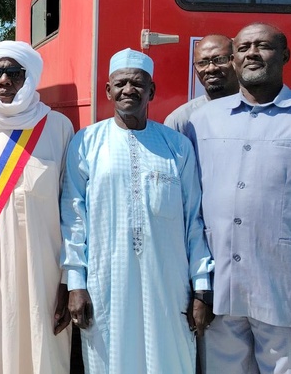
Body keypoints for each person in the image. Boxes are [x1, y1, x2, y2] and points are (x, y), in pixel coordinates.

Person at [189, 23, 291, 373]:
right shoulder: (201, 122)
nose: (252, 52)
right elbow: (191, 212)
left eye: (263, 45)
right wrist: (196, 287)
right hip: (220, 296)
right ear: (233, 59)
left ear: (285, 55)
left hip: (288, 297)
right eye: (244, 47)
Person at [61, 48, 214, 373]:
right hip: (107, 284)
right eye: (121, 83)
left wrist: (201, 287)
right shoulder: (86, 142)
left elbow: (194, 221)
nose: (128, 89)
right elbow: (74, 218)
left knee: (170, 360)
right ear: (108, 90)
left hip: (169, 287)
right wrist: (76, 283)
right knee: (110, 360)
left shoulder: (176, 146)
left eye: (137, 83)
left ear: (151, 91)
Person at [0, 41, 74, 373]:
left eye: (14, 73)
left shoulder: (58, 128)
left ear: (30, 76)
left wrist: (68, 281)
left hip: (46, 278)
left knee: (44, 356)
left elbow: (72, 212)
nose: (4, 81)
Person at [164, 34, 239, 136]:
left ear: (236, 61)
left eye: (220, 60)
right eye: (202, 63)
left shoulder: (259, 112)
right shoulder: (181, 120)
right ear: (195, 69)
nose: (211, 68)